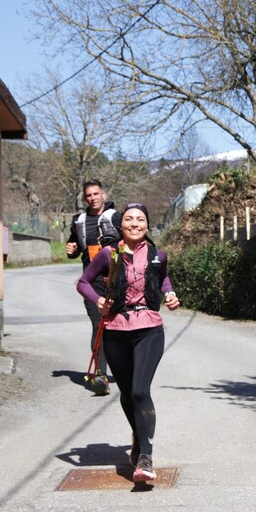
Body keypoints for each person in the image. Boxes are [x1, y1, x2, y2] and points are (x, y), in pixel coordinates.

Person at [77, 203, 180, 483]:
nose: (135, 224)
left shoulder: (158, 255)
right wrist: (98, 300)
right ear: (121, 225)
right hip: (116, 330)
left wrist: (169, 294)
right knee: (126, 393)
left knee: (139, 390)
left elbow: (163, 278)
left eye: (141, 219)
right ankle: (139, 433)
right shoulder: (109, 254)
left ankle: (145, 456)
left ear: (147, 224)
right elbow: (83, 282)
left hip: (149, 328)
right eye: (129, 219)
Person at [67, 180, 121, 395]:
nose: (92, 198)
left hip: (116, 280)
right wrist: (71, 250)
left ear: (103, 194)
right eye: (88, 195)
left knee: (119, 326)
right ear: (85, 198)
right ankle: (100, 375)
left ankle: (125, 368)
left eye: (96, 194)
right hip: (92, 282)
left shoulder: (116, 217)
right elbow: (74, 246)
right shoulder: (78, 222)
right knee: (99, 325)